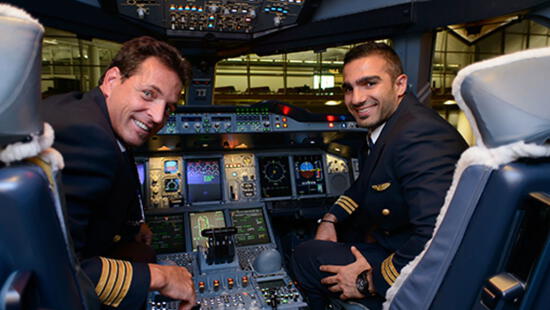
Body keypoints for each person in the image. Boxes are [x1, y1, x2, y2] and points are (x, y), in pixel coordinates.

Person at [292, 42, 468, 309]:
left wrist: (369, 281)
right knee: (321, 243)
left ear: (399, 85)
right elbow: (363, 186)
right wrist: (329, 219)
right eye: (349, 88)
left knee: (304, 256)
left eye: (369, 84)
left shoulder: (418, 135)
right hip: (400, 244)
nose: (356, 99)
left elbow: (437, 234)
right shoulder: (393, 126)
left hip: (421, 268)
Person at [40, 36, 195, 310]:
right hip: (44, 282)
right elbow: (58, 273)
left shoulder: (85, 111)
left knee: (141, 251)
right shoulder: (87, 137)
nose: (158, 117)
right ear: (112, 80)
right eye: (149, 93)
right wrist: (163, 277)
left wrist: (132, 225)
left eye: (169, 107)